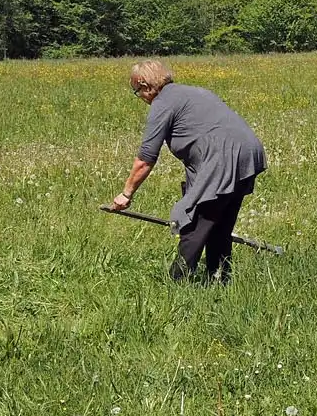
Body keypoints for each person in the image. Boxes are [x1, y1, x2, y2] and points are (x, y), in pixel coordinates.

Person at [110, 60, 267, 284]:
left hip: (224, 157)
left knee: (194, 221)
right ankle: (220, 280)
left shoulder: (163, 103)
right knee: (218, 223)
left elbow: (145, 159)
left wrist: (126, 194)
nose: (141, 98)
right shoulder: (195, 92)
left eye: (138, 92)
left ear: (145, 85)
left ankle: (177, 282)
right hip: (248, 153)